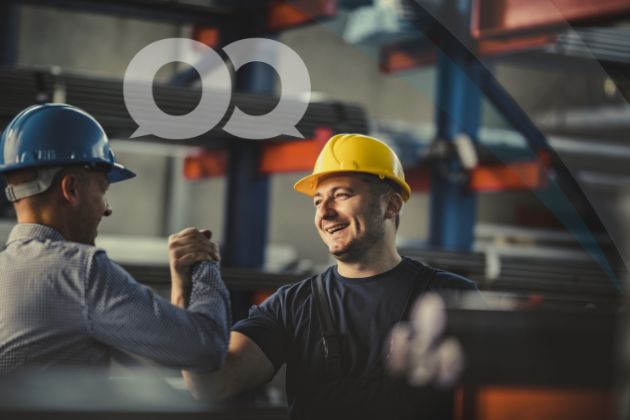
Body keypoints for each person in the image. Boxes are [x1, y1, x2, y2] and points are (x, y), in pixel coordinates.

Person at [184, 133, 478, 419]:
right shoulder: (292, 305)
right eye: (317, 201)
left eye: (341, 195)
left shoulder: (451, 297)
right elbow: (211, 383)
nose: (324, 212)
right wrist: (189, 288)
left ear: (391, 205)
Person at [0, 103, 230, 374]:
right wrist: (205, 265)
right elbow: (207, 348)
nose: (106, 209)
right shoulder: (79, 271)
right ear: (70, 188)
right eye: (103, 191)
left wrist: (181, 287)